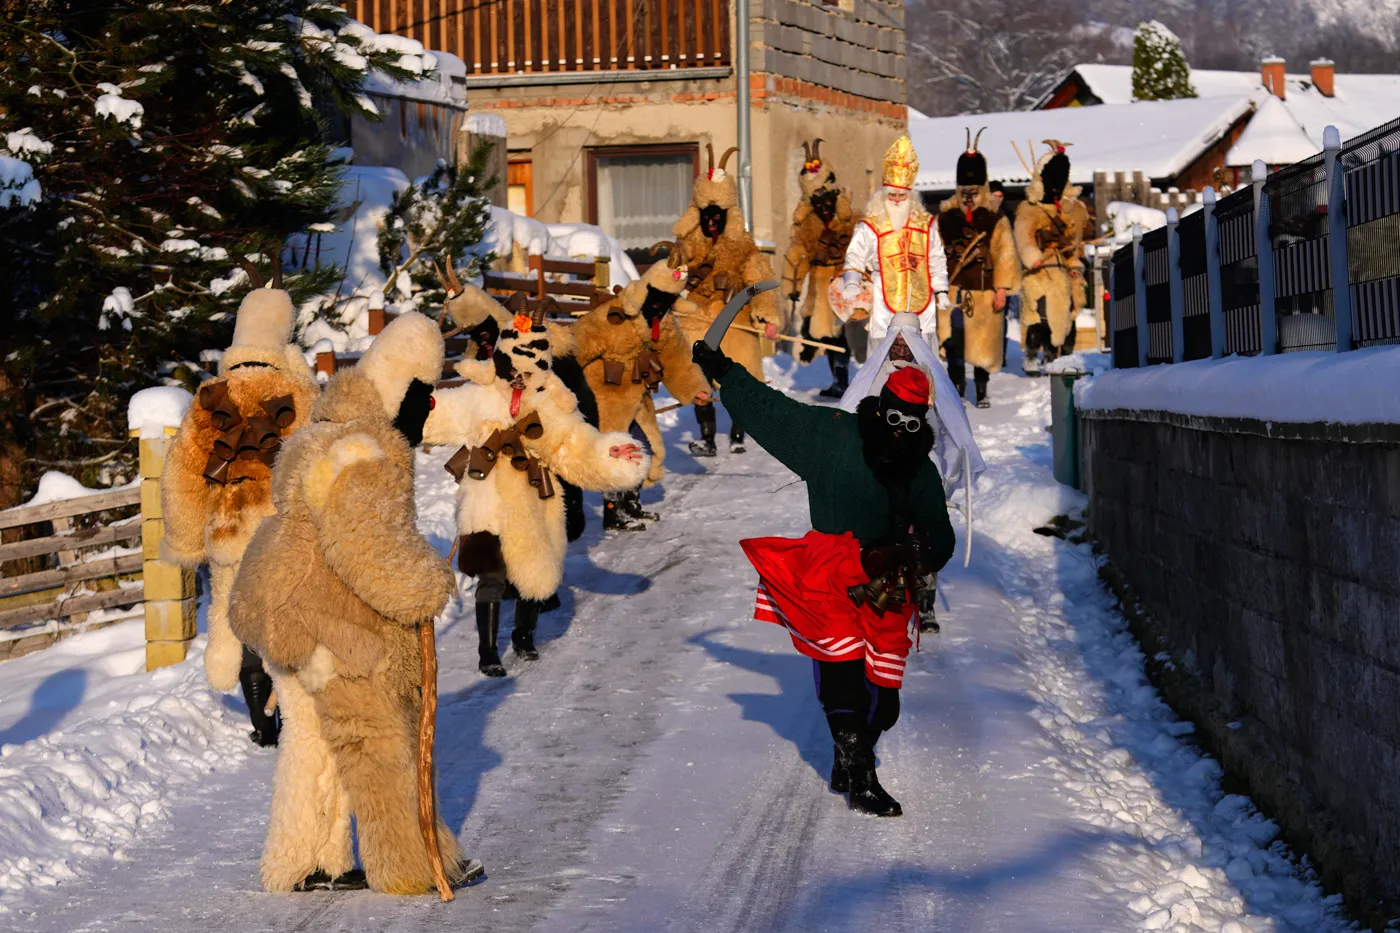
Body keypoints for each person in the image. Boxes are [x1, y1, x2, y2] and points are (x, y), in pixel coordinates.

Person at [230, 311, 480, 895]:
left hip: (290, 616)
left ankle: (307, 861)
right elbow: (366, 547)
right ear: (405, 391)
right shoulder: (365, 451)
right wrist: (427, 586)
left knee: (317, 746)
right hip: (335, 628)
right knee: (380, 745)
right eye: (424, 397)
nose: (426, 413)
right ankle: (409, 867)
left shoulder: (318, 437)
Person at [692, 336, 955, 817]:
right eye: (893, 419)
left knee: (886, 703)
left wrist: (920, 552)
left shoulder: (920, 471)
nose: (900, 432)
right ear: (880, 410)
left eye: (911, 425)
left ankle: (850, 755)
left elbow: (941, 534)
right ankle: (861, 777)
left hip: (885, 586)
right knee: (842, 681)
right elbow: (773, 412)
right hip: (828, 573)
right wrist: (724, 371)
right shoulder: (833, 435)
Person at [424, 306, 651, 676]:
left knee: (537, 573)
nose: (519, 377)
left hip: (533, 496)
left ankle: (524, 636)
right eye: (513, 367)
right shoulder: (476, 395)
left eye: (528, 369)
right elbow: (436, 416)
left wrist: (609, 454)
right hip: (488, 497)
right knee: (491, 574)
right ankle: (487, 651)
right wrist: (416, 405)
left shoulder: (551, 404)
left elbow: (575, 444)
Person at [160, 287, 319, 747]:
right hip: (284, 529)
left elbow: (183, 475)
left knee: (239, 620)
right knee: (286, 616)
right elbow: (320, 454)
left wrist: (189, 539)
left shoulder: (209, 399)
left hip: (229, 530)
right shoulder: (298, 393)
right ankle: (291, 712)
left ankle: (260, 723)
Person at [840, 312, 986, 630]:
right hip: (877, 471)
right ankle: (874, 596)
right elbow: (852, 419)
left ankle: (925, 601)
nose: (902, 349)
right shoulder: (873, 377)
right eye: (897, 342)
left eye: (909, 343)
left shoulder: (932, 381)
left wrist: (947, 471)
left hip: (918, 471)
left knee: (922, 538)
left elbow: (948, 430)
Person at [564, 255, 711, 531]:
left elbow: (677, 360)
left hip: (636, 397)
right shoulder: (613, 316)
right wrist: (568, 388)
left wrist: (695, 390)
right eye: (656, 298)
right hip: (604, 396)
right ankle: (612, 511)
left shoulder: (664, 323)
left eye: (667, 300)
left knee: (642, 447)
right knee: (615, 451)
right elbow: (577, 345)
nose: (659, 305)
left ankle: (631, 504)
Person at [671, 143, 781, 455]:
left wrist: (767, 317)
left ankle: (737, 434)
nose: (711, 221)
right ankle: (706, 438)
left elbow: (758, 277)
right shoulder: (687, 244)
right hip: (696, 318)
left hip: (734, 319)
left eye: (717, 215)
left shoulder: (742, 244)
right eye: (706, 215)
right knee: (698, 376)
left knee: (740, 374)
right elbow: (672, 276)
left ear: (726, 214)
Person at [935, 129, 1021, 408]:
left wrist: (1002, 288)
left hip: (984, 289)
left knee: (983, 343)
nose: (969, 194)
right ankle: (957, 389)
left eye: (973, 188)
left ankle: (981, 391)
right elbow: (935, 252)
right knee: (953, 342)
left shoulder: (994, 217)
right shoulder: (946, 216)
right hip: (954, 288)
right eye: (965, 188)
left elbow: (1005, 252)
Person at [840, 136, 951, 347]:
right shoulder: (871, 225)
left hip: (921, 297)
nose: (897, 200)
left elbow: (936, 259)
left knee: (922, 350)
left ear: (911, 196)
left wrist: (942, 291)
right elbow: (855, 255)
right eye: (892, 195)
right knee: (883, 351)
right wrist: (852, 282)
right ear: (883, 195)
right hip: (883, 296)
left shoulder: (925, 225)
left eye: (902, 195)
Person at [780, 139, 857, 398]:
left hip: (845, 278)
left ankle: (847, 380)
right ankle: (839, 380)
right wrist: (793, 285)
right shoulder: (805, 221)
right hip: (819, 281)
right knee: (826, 333)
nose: (821, 203)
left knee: (842, 332)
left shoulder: (844, 212)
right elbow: (797, 253)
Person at [1014, 140, 1090, 373]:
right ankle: (1035, 353)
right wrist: (1032, 255)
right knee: (1041, 314)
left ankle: (1058, 357)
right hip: (1039, 270)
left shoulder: (1073, 208)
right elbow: (1023, 237)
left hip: (1064, 269)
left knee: (1067, 314)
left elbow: (1078, 242)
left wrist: (1075, 259)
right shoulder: (1029, 208)